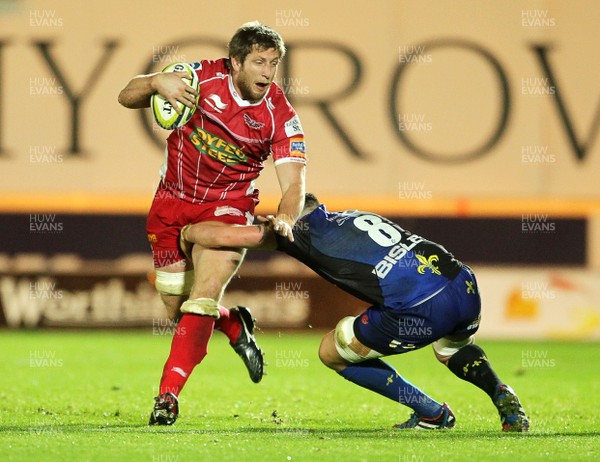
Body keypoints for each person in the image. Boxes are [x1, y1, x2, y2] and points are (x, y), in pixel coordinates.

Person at [180, 193, 530, 432]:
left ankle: (432, 412)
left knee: (332, 353)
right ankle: (501, 393)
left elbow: (227, 237)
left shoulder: (295, 234)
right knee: (452, 349)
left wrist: (185, 229)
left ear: (293, 218)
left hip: (417, 308)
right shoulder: (349, 216)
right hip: (462, 282)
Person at [117, 21, 306, 425]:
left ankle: (167, 397)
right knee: (176, 310)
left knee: (201, 299)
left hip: (227, 209)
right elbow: (125, 95)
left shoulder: (279, 115)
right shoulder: (200, 78)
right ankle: (232, 322)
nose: (268, 73)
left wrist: (287, 217)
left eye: (274, 63)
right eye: (259, 62)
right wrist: (155, 83)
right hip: (169, 204)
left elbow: (294, 185)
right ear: (235, 61)